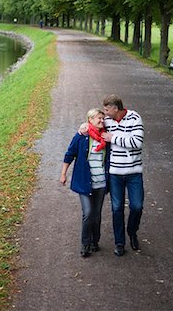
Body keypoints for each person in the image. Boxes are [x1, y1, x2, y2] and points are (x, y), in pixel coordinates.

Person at [79, 94, 144, 257]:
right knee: (116, 208)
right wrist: (83, 127)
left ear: (116, 108)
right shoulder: (107, 121)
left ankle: (132, 231)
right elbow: (94, 125)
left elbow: (137, 142)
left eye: (107, 110)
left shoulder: (135, 118)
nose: (105, 113)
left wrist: (113, 138)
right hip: (115, 173)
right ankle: (119, 242)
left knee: (137, 206)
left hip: (134, 172)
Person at [60, 109, 110, 258]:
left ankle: (95, 241)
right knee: (88, 213)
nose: (101, 121)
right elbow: (70, 154)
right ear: (90, 120)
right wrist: (63, 174)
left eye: (103, 118)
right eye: (98, 118)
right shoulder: (81, 137)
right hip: (84, 183)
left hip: (101, 183)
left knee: (97, 214)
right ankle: (85, 244)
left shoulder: (106, 137)